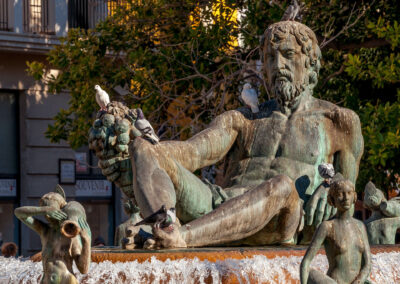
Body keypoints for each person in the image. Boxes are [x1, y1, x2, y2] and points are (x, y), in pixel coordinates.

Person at [95, 20, 363, 248]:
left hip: (283, 220)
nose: (277, 64)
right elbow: (191, 153)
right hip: (219, 208)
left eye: (288, 55)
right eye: (270, 58)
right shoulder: (243, 119)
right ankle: (164, 226)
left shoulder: (339, 122)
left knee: (282, 185)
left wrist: (332, 184)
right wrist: (135, 139)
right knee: (144, 148)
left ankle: (182, 237)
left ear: (311, 62)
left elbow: (347, 198)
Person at [300, 178, 371, 284]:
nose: (346, 198)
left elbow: (367, 265)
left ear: (354, 197)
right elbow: (306, 262)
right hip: (334, 282)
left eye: (349, 193)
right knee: (312, 274)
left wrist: (359, 281)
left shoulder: (360, 226)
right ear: (332, 199)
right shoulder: (327, 226)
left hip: (358, 282)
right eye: (340, 194)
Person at [14, 185, 91, 284]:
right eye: (46, 213)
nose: (47, 216)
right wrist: (44, 210)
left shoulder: (71, 236)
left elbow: (83, 269)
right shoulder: (44, 230)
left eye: (52, 211)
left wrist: (86, 242)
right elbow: (18, 213)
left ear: (61, 210)